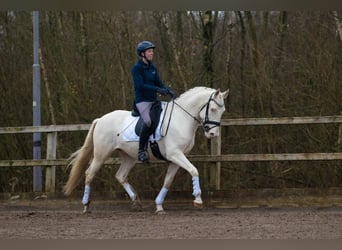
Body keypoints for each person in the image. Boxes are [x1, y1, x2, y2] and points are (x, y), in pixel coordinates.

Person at [131, 41, 176, 162]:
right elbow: (141, 86)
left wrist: (168, 90)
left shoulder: (152, 67)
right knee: (148, 121)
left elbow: (159, 83)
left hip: (153, 101)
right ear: (142, 54)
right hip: (142, 101)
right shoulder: (136, 68)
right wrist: (158, 89)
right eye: (149, 51)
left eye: (152, 51)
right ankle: (141, 151)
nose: (152, 53)